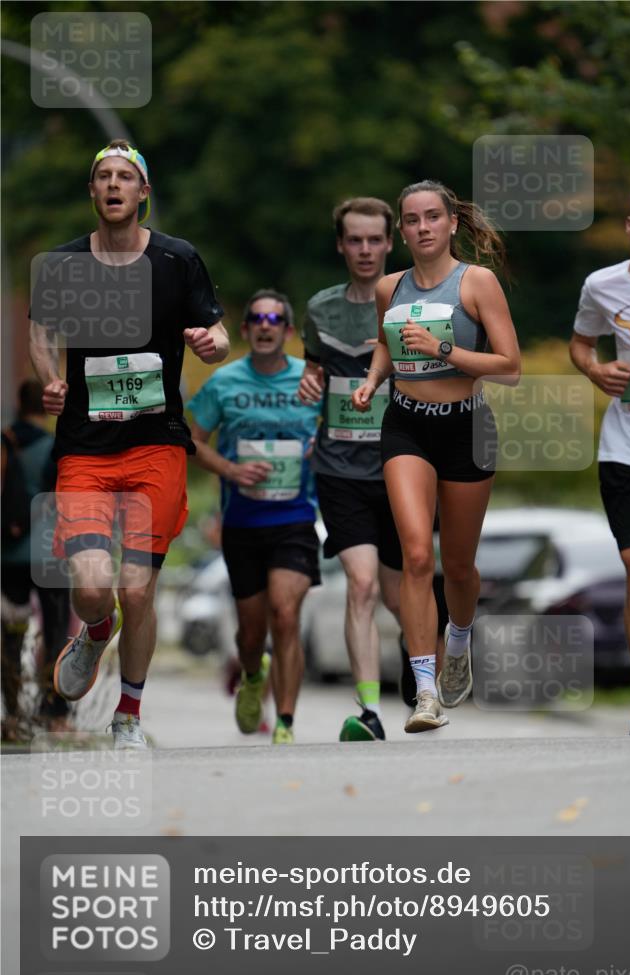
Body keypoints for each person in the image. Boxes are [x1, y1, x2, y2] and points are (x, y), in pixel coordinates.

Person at [28, 139, 229, 749]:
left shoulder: (177, 259)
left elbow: (215, 328)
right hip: (86, 448)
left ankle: (129, 719)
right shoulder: (61, 266)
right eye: (103, 177)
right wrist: (51, 379)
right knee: (92, 588)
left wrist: (212, 345)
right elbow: (42, 333)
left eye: (125, 177)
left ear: (143, 193)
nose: (114, 185)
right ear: (92, 192)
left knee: (139, 586)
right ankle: (94, 631)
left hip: (156, 444)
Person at [352, 179, 520, 733]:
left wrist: (445, 349)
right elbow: (385, 342)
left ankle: (460, 639)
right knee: (416, 556)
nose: (422, 228)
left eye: (432, 218)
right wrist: (373, 379)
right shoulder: (388, 288)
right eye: (412, 220)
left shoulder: (476, 283)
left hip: (468, 429)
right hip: (406, 428)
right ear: (401, 230)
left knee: (460, 567)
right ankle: (425, 692)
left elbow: (510, 366)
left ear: (451, 223)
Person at [188, 290, 321, 745]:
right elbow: (191, 440)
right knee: (251, 634)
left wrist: (320, 445)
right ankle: (250, 674)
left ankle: (284, 721)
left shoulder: (311, 381)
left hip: (296, 518)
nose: (266, 326)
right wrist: (230, 469)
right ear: (245, 330)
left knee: (286, 615)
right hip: (242, 523)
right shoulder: (223, 384)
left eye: (275, 319)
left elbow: (341, 428)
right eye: (257, 319)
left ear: (287, 331)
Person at [298, 197, 402, 742]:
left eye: (374, 240)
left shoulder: (412, 300)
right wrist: (310, 381)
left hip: (404, 468)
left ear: (390, 243)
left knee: (399, 596)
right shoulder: (320, 309)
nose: (365, 250)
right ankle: (369, 712)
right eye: (354, 240)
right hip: (340, 468)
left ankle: (422, 670)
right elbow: (315, 370)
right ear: (341, 245)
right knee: (360, 586)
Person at [569, 173, 630, 735]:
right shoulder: (601, 286)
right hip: (627, 449)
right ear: (629, 223)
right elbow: (580, 344)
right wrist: (596, 369)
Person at [1, 380, 71, 740]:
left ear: (17, 401)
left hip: (8, 556)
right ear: (45, 406)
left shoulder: (4, 442)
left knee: (11, 635)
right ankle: (55, 714)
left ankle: (12, 713)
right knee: (58, 634)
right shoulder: (55, 448)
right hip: (50, 553)